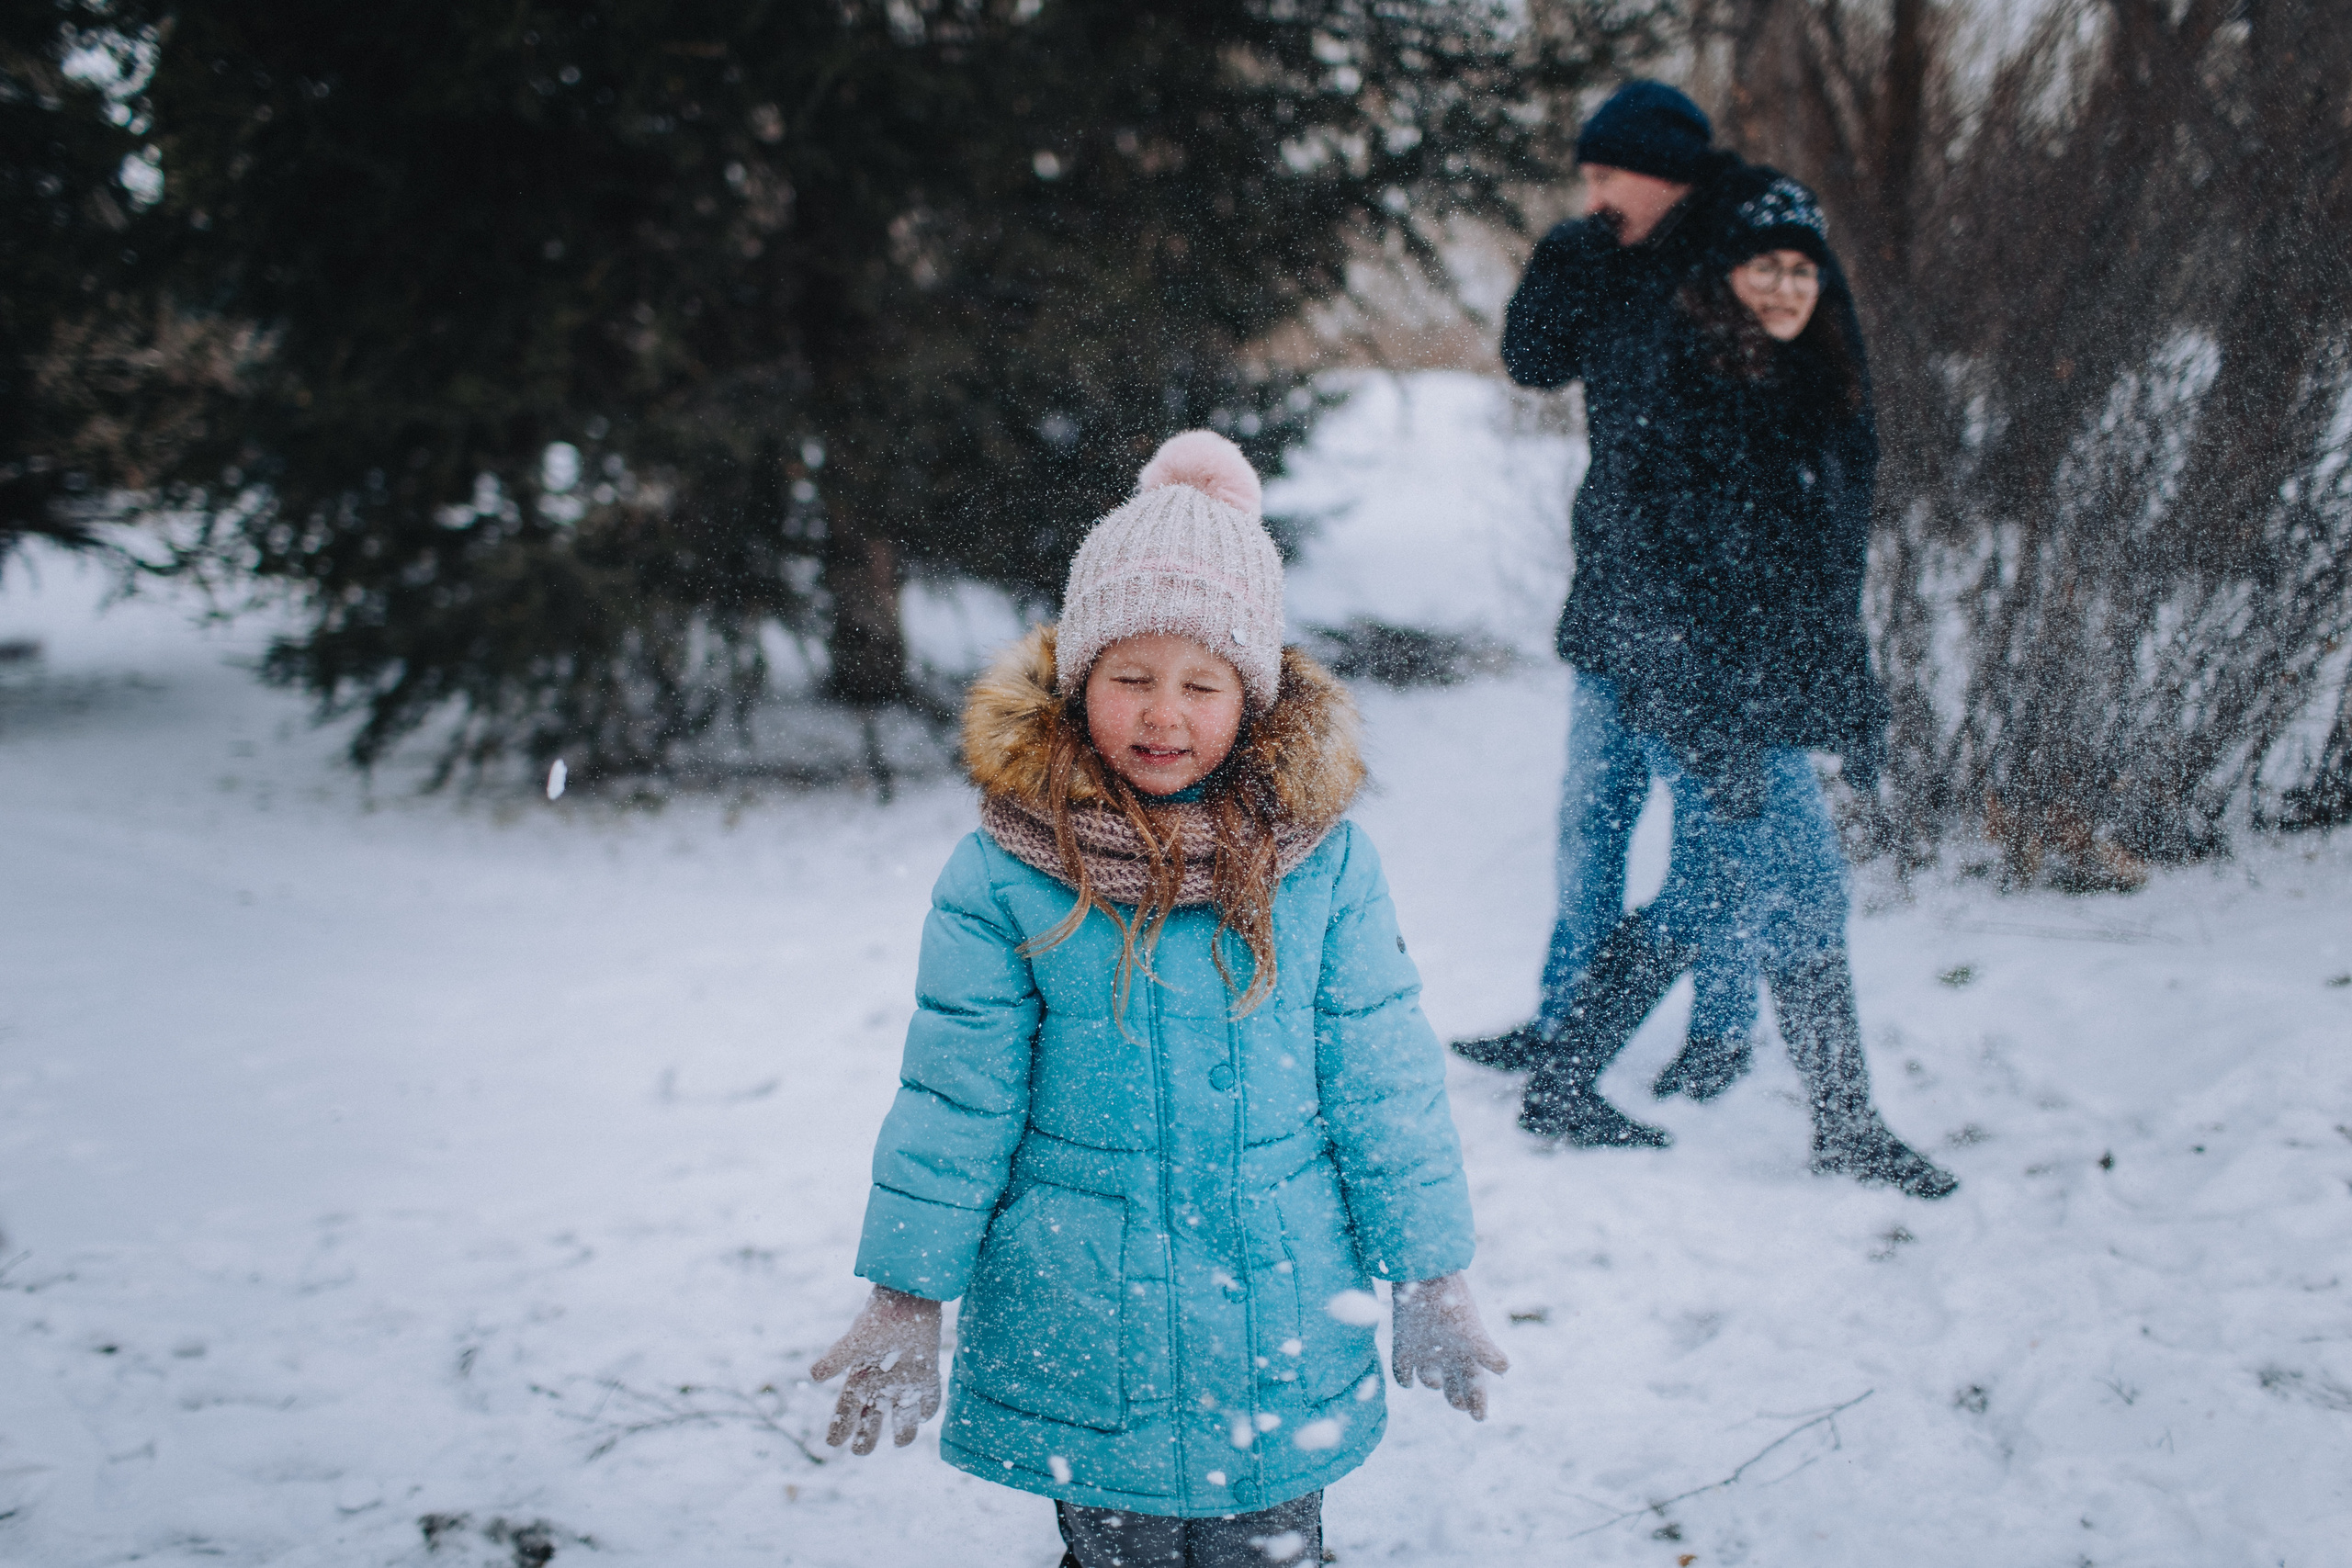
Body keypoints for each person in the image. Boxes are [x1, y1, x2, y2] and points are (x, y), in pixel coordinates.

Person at [809, 431, 1509, 1566]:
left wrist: (1429, 1266)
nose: (1162, 715)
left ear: (1255, 696)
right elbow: (955, 1099)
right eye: (1130, 678)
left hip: (1278, 1309)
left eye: (1202, 684)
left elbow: (1383, 1079)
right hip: (1086, 1314)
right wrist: (905, 1291)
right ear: (1081, 680)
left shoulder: (1320, 865)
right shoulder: (1005, 870)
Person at [1487, 86, 1957, 1201]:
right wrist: (1690, 670)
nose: (1592, 198)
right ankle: (1838, 1124)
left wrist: (1821, 674)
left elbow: (1814, 522)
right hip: (1680, 650)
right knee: (1785, 879)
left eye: (1606, 177)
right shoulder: (1663, 331)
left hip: (1723, 654)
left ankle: (1573, 1075)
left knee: (1713, 882)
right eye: (1767, 277)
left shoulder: (1772, 337)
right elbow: (1552, 379)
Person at [1454, 81, 1765, 1109]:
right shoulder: (1604, 258)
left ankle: (1719, 1033)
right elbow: (1533, 363)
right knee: (1590, 823)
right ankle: (1564, 1018)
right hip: (1613, 594)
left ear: (1662, 170)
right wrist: (1558, 264)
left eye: (1604, 175)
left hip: (1705, 612)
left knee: (1707, 835)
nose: (1591, 194)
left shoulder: (1739, 257)